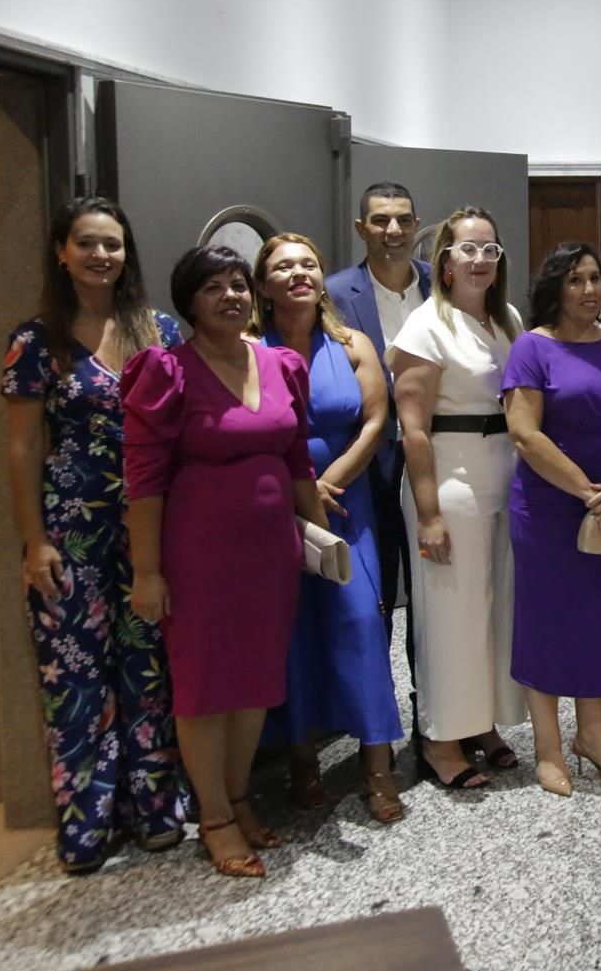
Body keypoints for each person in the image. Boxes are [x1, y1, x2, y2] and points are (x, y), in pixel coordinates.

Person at [122, 245, 325, 879]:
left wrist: (321, 535)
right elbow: (144, 480)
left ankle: (238, 797)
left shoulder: (279, 364)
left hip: (271, 554)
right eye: (213, 287)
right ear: (189, 302)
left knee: (256, 680)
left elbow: (297, 458)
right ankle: (213, 816)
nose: (230, 296)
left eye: (238, 284)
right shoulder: (168, 371)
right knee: (206, 687)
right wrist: (148, 572)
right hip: (199, 557)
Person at [2, 197, 184, 874]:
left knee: (150, 665)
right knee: (75, 679)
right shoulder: (34, 341)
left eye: (112, 243)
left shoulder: (159, 331)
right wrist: (34, 539)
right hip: (70, 531)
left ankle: (156, 806)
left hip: (151, 527)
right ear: (61, 252)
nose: (101, 254)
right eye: (86, 243)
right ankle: (86, 822)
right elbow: (24, 447)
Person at [254, 233, 406, 825]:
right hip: (276, 510)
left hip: (347, 507)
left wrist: (327, 484)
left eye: (309, 264)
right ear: (263, 285)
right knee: (293, 631)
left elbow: (376, 421)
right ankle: (302, 760)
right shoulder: (250, 350)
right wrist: (300, 491)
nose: (299, 273)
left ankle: (377, 765)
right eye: (283, 267)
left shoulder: (352, 344)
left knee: (360, 622)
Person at [504, 243, 601, 793]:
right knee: (546, 622)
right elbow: (525, 433)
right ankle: (548, 749)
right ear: (555, 289)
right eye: (575, 280)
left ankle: (593, 737)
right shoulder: (531, 347)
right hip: (551, 505)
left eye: (594, 278)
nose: (589, 290)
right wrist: (587, 491)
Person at [388, 207, 526, 790]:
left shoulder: (507, 319)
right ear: (444, 261)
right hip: (449, 476)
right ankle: (441, 737)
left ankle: (482, 721)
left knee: (494, 603)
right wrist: (428, 514)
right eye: (467, 249)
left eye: (489, 249)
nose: (479, 259)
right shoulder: (425, 326)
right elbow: (413, 429)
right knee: (451, 610)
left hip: (503, 470)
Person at [325, 183, 430, 646]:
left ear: (416, 225)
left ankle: (430, 691)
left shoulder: (442, 284)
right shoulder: (333, 294)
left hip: (436, 454)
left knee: (434, 589)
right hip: (369, 461)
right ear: (360, 228)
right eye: (381, 220)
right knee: (377, 589)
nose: (394, 230)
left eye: (404, 220)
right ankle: (378, 689)